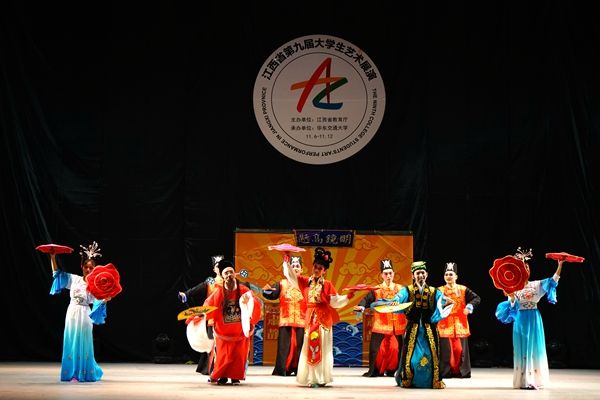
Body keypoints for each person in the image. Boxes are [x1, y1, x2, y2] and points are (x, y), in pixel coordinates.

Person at [372, 260, 452, 389]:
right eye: (417, 273)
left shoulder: (433, 291)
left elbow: (444, 302)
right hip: (413, 329)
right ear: (413, 275)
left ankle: (433, 381)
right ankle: (408, 379)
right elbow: (398, 299)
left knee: (431, 355)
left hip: (429, 329)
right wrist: (394, 302)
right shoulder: (407, 291)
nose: (420, 275)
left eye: (422, 273)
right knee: (412, 357)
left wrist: (446, 304)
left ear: (426, 274)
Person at [283, 247, 353, 388]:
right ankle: (311, 378)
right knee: (309, 347)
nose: (316, 270)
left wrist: (348, 297)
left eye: (320, 268)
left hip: (323, 320)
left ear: (324, 271)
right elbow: (291, 276)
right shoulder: (305, 282)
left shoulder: (327, 285)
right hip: (310, 318)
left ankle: (321, 378)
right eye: (315, 267)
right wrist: (286, 259)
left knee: (323, 348)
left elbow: (335, 301)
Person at [495, 248, 563, 390]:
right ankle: (524, 380)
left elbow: (553, 281)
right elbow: (512, 307)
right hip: (520, 319)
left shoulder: (536, 284)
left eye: (526, 266)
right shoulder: (513, 288)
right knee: (523, 347)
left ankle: (536, 380)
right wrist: (511, 297)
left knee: (535, 347)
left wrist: (560, 265)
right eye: (521, 267)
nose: (524, 269)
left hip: (534, 318)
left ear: (529, 269)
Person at [49, 241, 108, 382]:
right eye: (86, 267)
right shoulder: (74, 279)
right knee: (71, 339)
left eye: (91, 268)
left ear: (94, 270)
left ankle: (84, 372)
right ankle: (72, 372)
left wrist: (106, 299)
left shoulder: (95, 285)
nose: (88, 269)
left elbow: (98, 301)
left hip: (85, 314)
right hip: (72, 312)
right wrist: (53, 257)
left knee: (84, 342)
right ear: (82, 267)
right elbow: (57, 274)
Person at [203, 259, 261, 385]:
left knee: (239, 356)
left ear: (235, 273)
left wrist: (251, 306)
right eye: (226, 273)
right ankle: (222, 376)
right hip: (223, 331)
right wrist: (202, 313)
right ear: (222, 276)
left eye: (231, 272)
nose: (229, 275)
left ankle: (235, 377)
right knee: (223, 356)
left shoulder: (244, 290)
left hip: (239, 331)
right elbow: (209, 305)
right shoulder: (219, 292)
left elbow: (254, 304)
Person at [353, 259, 407, 377]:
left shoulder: (401, 289)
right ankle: (377, 370)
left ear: (393, 274)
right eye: (386, 273)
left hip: (397, 324)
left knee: (395, 348)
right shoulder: (376, 290)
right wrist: (361, 307)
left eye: (390, 273)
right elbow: (366, 300)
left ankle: (394, 370)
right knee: (378, 350)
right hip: (381, 324)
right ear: (382, 275)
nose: (388, 276)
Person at [262, 255, 306, 376]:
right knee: (284, 347)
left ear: (301, 269)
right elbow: (271, 294)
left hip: (302, 321)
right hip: (286, 320)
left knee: (300, 347)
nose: (295, 268)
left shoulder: (305, 284)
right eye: (293, 266)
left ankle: (300, 370)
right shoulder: (282, 283)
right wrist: (266, 291)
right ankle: (283, 369)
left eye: (297, 266)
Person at [178, 255, 222, 375]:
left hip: (226, 316)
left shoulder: (230, 281)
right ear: (214, 269)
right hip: (212, 316)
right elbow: (197, 289)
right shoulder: (211, 282)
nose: (220, 268)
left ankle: (223, 367)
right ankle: (211, 367)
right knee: (212, 341)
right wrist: (186, 294)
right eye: (218, 266)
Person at [436, 262, 481, 379]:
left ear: (456, 276)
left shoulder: (463, 289)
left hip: (460, 323)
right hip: (445, 324)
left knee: (459, 349)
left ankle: (461, 371)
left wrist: (469, 307)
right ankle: (446, 372)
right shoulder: (439, 290)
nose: (448, 276)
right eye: (446, 274)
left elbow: (476, 298)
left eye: (451, 274)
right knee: (447, 350)